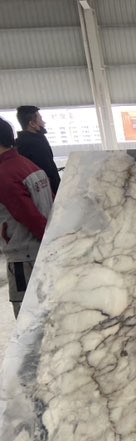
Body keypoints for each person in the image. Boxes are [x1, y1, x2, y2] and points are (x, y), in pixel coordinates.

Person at [0, 117, 52, 317]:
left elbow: (30, 217)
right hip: (41, 250)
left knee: (27, 315)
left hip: (24, 256)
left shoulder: (4, 175)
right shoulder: (27, 164)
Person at [15, 105, 60, 196]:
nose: (44, 122)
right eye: (40, 119)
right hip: (47, 192)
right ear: (32, 124)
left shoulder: (37, 138)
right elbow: (45, 171)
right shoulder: (31, 143)